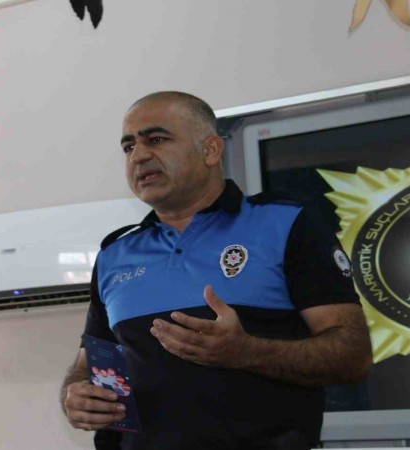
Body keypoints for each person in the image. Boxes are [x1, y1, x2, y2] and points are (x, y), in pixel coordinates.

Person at [60, 91, 372, 450]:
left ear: (210, 149)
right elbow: (94, 363)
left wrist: (246, 352)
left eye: (156, 139)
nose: (139, 156)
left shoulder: (285, 224)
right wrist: (77, 396)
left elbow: (353, 357)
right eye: (128, 147)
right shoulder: (115, 253)